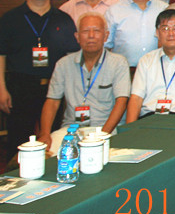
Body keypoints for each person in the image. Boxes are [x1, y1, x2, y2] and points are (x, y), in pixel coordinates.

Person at [0, 0, 79, 157]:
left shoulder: (63, 19)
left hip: (55, 88)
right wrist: (1, 89)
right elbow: (1, 55)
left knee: (54, 139)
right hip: (20, 87)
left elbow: (73, 57)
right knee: (18, 140)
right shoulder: (10, 19)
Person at [38, 13, 130, 151]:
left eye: (96, 31)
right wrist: (44, 134)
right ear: (77, 37)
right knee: (48, 153)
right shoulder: (63, 64)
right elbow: (52, 101)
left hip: (107, 130)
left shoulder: (118, 63)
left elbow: (121, 102)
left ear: (106, 36)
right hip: (71, 131)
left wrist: (102, 136)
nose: (91, 36)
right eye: (86, 31)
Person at [126, 10, 175, 120]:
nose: (171, 33)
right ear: (157, 33)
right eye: (165, 29)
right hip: (149, 118)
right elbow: (136, 98)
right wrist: (130, 128)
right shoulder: (146, 60)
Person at [105, 0, 169, 68]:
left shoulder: (165, 9)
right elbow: (105, 46)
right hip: (124, 72)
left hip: (157, 71)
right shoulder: (113, 11)